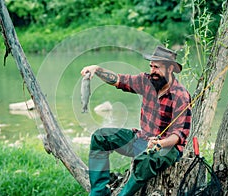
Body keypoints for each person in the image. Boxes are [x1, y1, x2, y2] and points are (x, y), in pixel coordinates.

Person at [80, 45, 192, 196]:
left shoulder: (181, 95)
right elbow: (119, 80)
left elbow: (179, 135)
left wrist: (159, 143)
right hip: (142, 139)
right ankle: (99, 192)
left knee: (146, 161)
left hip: (167, 149)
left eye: (157, 67)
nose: (152, 71)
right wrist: (97, 69)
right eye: (151, 66)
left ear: (170, 68)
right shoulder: (146, 81)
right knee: (100, 137)